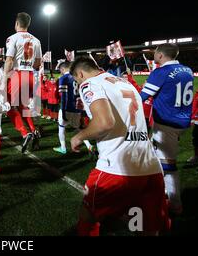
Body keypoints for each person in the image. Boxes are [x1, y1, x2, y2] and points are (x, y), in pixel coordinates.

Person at [69, 57, 169, 236]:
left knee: (88, 216)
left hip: (117, 166)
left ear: (81, 74)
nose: (79, 84)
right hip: (150, 166)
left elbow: (104, 123)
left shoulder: (89, 84)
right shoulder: (125, 83)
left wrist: (79, 136)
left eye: (77, 80)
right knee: (146, 226)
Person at [140, 43, 194, 215]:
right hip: (182, 121)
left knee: (167, 164)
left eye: (155, 53)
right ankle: (162, 192)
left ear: (161, 56)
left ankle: (175, 203)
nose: (154, 56)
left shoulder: (160, 72)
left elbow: (143, 96)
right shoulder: (187, 70)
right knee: (160, 158)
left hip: (166, 123)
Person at [2, 12, 42, 153]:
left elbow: (9, 60)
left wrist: (4, 78)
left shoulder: (12, 38)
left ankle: (25, 133)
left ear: (17, 23)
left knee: (7, 105)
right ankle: (33, 130)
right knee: (22, 105)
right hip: (30, 75)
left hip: (17, 74)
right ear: (28, 24)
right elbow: (38, 62)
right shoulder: (36, 40)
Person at [54, 61, 93, 155]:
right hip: (76, 107)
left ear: (63, 69)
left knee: (61, 127)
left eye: (61, 70)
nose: (61, 72)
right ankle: (89, 145)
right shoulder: (76, 77)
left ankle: (63, 147)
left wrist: (63, 111)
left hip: (67, 107)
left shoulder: (63, 78)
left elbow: (64, 96)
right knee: (79, 128)